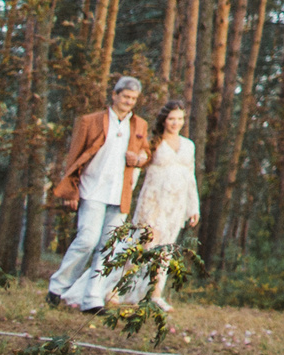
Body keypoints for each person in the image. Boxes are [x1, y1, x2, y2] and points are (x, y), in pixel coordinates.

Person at [46, 74, 151, 313]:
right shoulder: (90, 121)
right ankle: (57, 286)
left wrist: (139, 159)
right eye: (125, 96)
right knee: (86, 240)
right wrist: (71, 191)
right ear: (114, 95)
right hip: (91, 190)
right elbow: (74, 158)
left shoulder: (139, 125)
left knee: (110, 247)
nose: (129, 102)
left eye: (133, 98)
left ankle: (92, 299)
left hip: (120, 195)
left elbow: (145, 153)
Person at [125, 100, 199, 311]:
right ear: (164, 120)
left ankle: (154, 294)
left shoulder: (188, 145)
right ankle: (121, 289)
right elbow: (139, 168)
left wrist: (193, 207)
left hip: (175, 203)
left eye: (179, 119)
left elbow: (190, 177)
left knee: (164, 251)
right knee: (144, 245)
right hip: (153, 201)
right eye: (171, 119)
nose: (176, 123)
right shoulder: (154, 142)